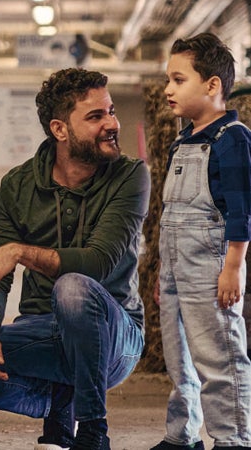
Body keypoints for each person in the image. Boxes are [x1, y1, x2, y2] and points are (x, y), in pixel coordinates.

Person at [0, 68, 149, 450]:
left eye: (112, 111)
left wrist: (19, 251)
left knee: (73, 287)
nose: (112, 124)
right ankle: (58, 405)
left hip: (116, 337)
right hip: (46, 330)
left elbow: (98, 263)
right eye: (96, 116)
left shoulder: (130, 175)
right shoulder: (18, 186)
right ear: (59, 130)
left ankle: (90, 430)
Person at [150, 33, 251, 450]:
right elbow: (170, 218)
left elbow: (241, 210)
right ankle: (181, 436)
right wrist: (162, 272)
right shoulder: (183, 140)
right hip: (175, 269)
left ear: (212, 86)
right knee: (180, 361)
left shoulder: (232, 138)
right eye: (168, 80)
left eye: (178, 80)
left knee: (218, 358)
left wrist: (233, 267)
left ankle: (232, 440)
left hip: (210, 270)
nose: (168, 90)